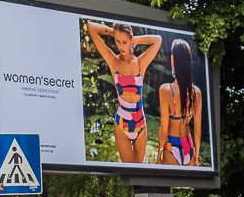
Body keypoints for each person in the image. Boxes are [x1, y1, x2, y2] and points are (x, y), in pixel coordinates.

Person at [86, 20, 162, 164]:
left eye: (125, 42)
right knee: (128, 170)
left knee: (139, 171)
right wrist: (112, 31)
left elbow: (157, 41)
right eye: (117, 41)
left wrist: (135, 40)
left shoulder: (141, 63)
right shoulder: (112, 61)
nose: (120, 46)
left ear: (130, 40)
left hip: (140, 123)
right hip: (121, 123)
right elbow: (91, 27)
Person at [155, 39, 202, 167]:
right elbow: (197, 131)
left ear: (172, 60)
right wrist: (196, 156)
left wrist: (159, 154)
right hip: (189, 146)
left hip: (171, 146)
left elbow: (164, 130)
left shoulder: (166, 90)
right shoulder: (196, 92)